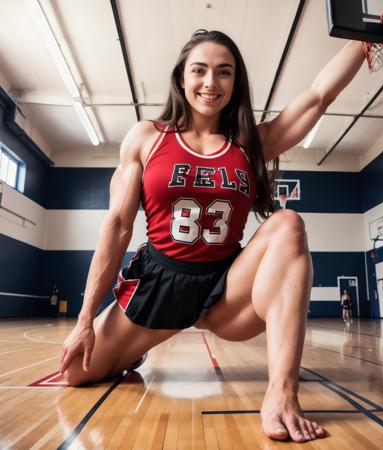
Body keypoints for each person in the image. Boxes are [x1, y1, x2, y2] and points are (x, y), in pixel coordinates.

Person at [59, 30, 365, 443]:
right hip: (160, 284)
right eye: (199, 70)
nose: (210, 82)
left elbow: (317, 97)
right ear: (182, 78)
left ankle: (282, 393)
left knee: (288, 224)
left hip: (225, 290)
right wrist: (84, 321)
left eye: (224, 72)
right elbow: (117, 226)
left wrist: (365, 42)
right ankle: (134, 347)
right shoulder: (148, 138)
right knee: (76, 373)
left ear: (234, 83)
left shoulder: (250, 143)